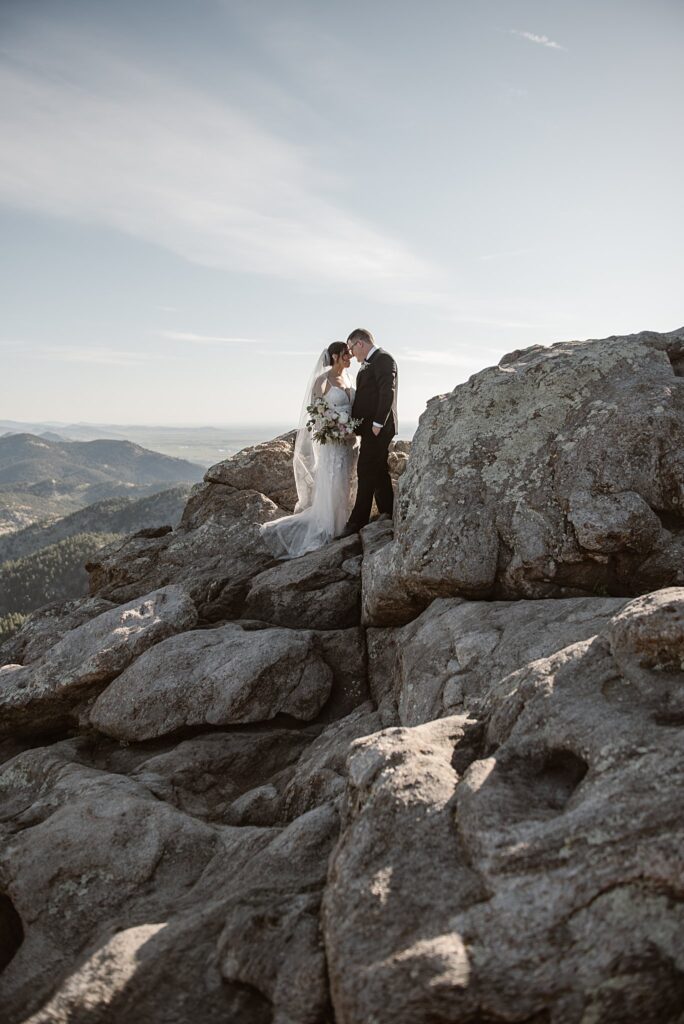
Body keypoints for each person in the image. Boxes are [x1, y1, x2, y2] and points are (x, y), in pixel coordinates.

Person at [260, 342, 358, 559]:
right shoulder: (322, 381)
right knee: (333, 480)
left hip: (349, 441)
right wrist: (332, 428)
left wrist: (349, 429)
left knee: (347, 481)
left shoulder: (350, 379)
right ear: (335, 356)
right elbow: (316, 412)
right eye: (346, 354)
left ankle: (344, 522)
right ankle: (329, 526)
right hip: (333, 441)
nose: (350, 358)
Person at [340, 328, 398, 536]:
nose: (351, 354)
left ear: (360, 343)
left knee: (365, 470)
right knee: (379, 470)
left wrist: (377, 424)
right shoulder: (369, 363)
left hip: (378, 429)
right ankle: (388, 511)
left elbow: (387, 392)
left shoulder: (383, 359)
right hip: (369, 428)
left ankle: (357, 522)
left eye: (351, 348)